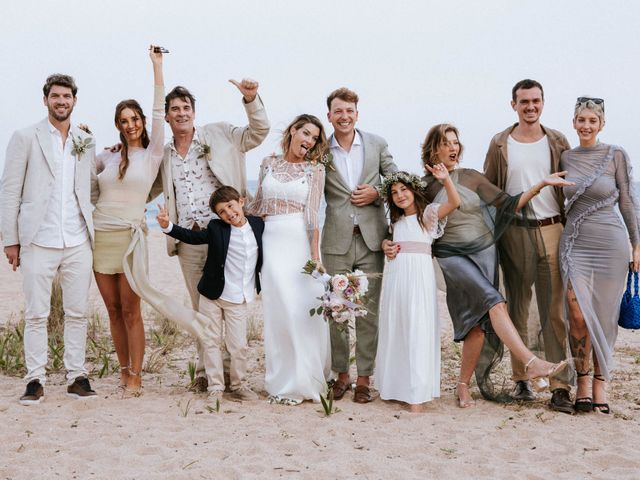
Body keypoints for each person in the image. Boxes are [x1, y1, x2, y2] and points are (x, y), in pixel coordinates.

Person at [384, 124, 571, 408]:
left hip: (483, 252)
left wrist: (541, 185)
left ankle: (462, 385)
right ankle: (531, 362)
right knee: (495, 302)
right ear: (433, 148)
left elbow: (508, 204)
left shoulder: (471, 177)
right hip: (450, 256)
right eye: (445, 143)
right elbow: (406, 217)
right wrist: (388, 242)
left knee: (479, 325)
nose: (453, 148)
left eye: (456, 142)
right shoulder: (423, 186)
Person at [150, 78, 269, 392]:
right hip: (188, 239)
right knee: (201, 307)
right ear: (166, 116)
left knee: (230, 303)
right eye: (174, 109)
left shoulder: (219, 134)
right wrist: (118, 157)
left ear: (194, 112)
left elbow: (258, 132)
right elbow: (143, 186)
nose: (181, 113)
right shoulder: (164, 155)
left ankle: (231, 373)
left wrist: (251, 99)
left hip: (226, 236)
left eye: (186, 107)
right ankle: (205, 372)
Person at [1, 73, 97, 404]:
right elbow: (10, 190)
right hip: (37, 239)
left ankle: (77, 377)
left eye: (67, 96)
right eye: (55, 96)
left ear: (74, 101)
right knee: (36, 314)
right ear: (45, 100)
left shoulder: (85, 140)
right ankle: (35, 379)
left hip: (77, 239)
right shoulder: (24, 137)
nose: (61, 101)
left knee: (77, 312)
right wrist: (11, 240)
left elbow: (90, 185)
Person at [484, 79, 573, 412]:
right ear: (514, 105)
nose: (530, 107)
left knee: (554, 311)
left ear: (543, 103)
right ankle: (522, 380)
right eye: (524, 102)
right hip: (515, 231)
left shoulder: (557, 140)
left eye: (536, 101)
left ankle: (560, 386)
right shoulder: (500, 143)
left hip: (553, 229)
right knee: (518, 305)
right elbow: (490, 191)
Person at [560, 97, 640, 414]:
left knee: (605, 316)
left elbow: (627, 202)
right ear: (574, 122)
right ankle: (581, 380)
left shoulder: (615, 154)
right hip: (575, 241)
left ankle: (600, 383)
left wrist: (637, 244)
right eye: (581, 119)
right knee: (577, 313)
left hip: (611, 241)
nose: (586, 126)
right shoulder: (566, 156)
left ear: (602, 124)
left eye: (593, 120)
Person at [92, 46, 164, 397]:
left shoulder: (152, 155)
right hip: (100, 236)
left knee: (132, 310)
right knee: (113, 309)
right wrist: (83, 139)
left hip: (131, 238)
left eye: (135, 119)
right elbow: (83, 188)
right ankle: (122, 371)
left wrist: (157, 67)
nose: (131, 124)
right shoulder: (106, 155)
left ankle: (136, 375)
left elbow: (159, 113)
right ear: (118, 125)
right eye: (124, 120)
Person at [322, 87, 398, 404]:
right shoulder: (320, 150)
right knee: (337, 311)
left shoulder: (376, 143)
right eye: (338, 111)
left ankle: (365, 379)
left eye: (349, 111)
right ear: (330, 115)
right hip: (336, 240)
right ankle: (342, 376)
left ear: (357, 113)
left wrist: (377, 192)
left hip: (371, 240)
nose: (344, 116)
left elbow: (397, 179)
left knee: (368, 313)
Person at [247, 114, 329, 405]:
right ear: (292, 131)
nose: (308, 140)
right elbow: (256, 204)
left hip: (298, 242)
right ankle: (281, 380)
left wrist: (315, 256)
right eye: (305, 133)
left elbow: (313, 214)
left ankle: (307, 379)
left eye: (314, 137)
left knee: (300, 309)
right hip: (271, 241)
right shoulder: (268, 162)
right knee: (278, 310)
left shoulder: (314, 169)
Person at [156, 186, 264, 402]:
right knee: (211, 341)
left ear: (241, 202)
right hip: (212, 296)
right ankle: (215, 386)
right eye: (222, 211)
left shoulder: (258, 225)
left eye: (231, 206)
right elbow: (192, 237)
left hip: (239, 297)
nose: (229, 213)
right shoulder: (216, 228)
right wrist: (167, 226)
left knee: (239, 345)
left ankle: (239, 384)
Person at [376, 169, 460, 412]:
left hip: (419, 278)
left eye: (403, 189)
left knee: (417, 329)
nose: (400, 195)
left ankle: (416, 394)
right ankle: (396, 388)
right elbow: (389, 241)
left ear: (413, 190)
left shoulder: (429, 215)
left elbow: (455, 202)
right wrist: (384, 244)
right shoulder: (396, 221)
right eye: (394, 192)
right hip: (396, 277)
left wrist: (445, 179)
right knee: (397, 326)